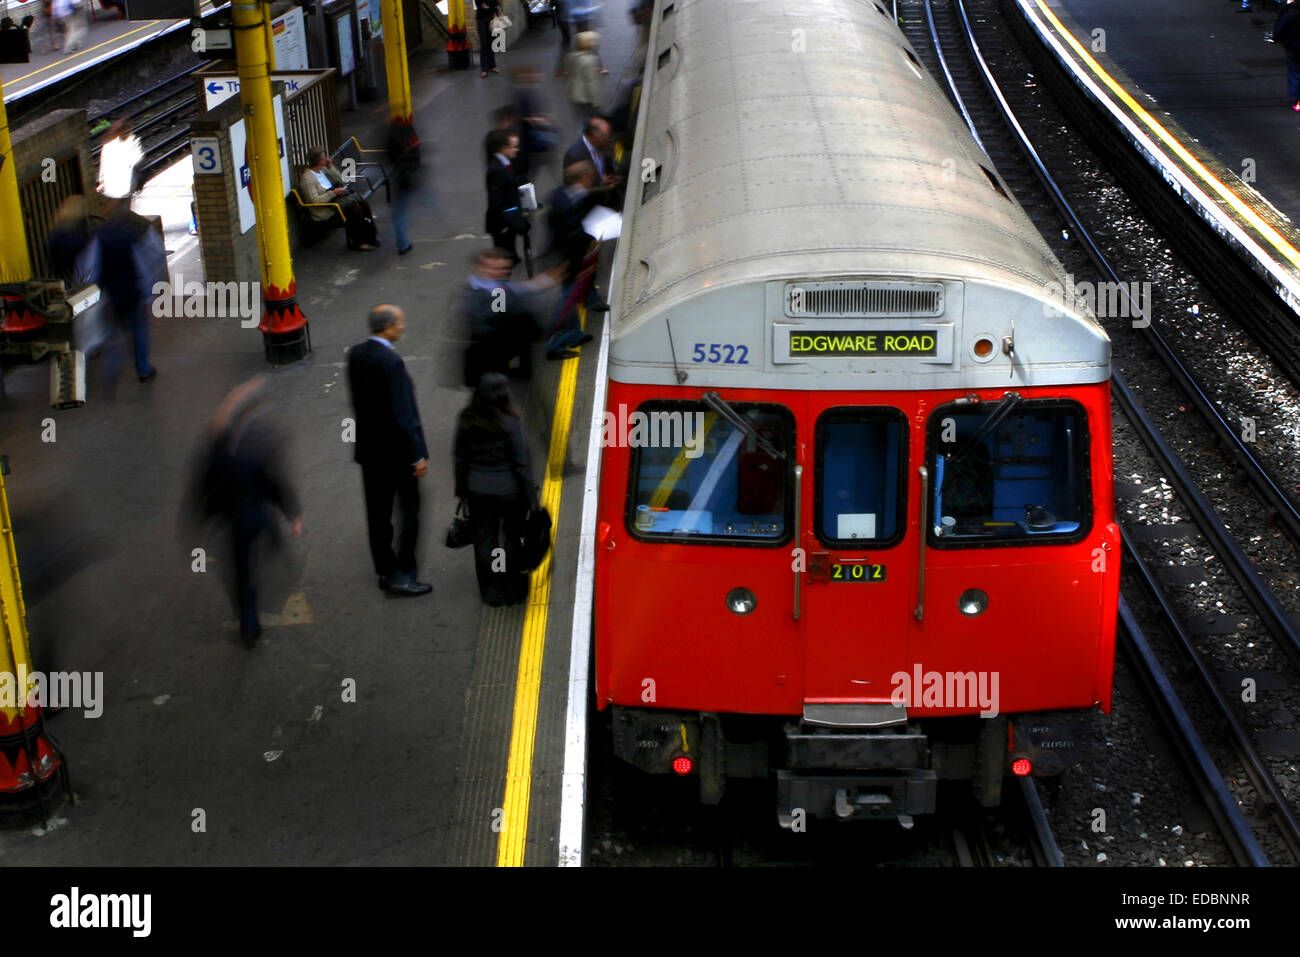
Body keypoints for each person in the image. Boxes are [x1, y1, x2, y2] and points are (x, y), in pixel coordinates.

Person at [191, 377, 304, 647]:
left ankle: (249, 626)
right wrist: (293, 513)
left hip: (232, 518)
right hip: (257, 513)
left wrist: (201, 516)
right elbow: (276, 483)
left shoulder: (218, 444)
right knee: (267, 533)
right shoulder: (262, 444)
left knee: (242, 572)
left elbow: (203, 483)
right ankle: (279, 553)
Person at [346, 305, 433, 597]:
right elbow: (403, 415)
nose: (403, 327)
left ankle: (385, 569)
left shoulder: (356, 354)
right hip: (396, 454)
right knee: (410, 512)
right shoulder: (392, 363)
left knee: (378, 514)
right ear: (387, 327)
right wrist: (417, 454)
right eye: (400, 323)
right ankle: (404, 573)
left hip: (369, 451)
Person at [454, 372, 541, 606]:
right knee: (512, 537)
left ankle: (492, 590)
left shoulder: (467, 419)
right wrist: (532, 498)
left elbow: (460, 457)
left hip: (478, 490)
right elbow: (522, 462)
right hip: (509, 491)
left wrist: (461, 489)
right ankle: (512, 587)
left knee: (485, 539)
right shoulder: (510, 421)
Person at [80, 205, 164, 390]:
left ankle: (110, 376)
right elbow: (144, 265)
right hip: (133, 293)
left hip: (111, 296)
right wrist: (149, 293)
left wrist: (95, 291)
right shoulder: (132, 236)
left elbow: (91, 268)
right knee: (139, 332)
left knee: (112, 335)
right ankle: (143, 370)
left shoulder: (99, 237)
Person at [463, 248, 563, 384]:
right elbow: (496, 319)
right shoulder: (487, 293)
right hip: (491, 356)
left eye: (504, 268)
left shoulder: (493, 287)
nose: (501, 272)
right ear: (479, 268)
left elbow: (512, 291)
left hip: (501, 350)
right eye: (494, 268)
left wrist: (535, 285)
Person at [544, 161, 611, 358]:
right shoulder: (567, 204)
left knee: (570, 301)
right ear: (584, 179)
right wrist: (593, 240)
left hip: (565, 258)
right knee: (564, 305)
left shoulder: (559, 194)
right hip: (568, 262)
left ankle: (574, 335)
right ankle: (554, 347)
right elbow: (571, 236)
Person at [299, 147, 380, 251]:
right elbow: (315, 200)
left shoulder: (323, 169)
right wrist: (333, 193)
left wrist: (331, 167)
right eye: (324, 157)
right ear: (318, 161)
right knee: (355, 209)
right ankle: (360, 242)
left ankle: (371, 236)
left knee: (364, 203)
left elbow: (341, 181)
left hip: (336, 198)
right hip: (327, 207)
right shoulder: (308, 179)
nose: (327, 159)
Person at [484, 130, 530, 265]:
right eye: (514, 147)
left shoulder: (504, 163)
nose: (517, 149)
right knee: (504, 256)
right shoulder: (496, 169)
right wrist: (509, 221)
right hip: (502, 223)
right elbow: (495, 200)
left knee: (510, 251)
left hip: (508, 218)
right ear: (503, 148)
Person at [385, 119, 421, 256]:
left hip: (400, 177)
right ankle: (402, 244)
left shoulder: (393, 132)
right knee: (400, 212)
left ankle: (403, 243)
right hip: (405, 178)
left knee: (400, 211)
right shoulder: (405, 131)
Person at [564, 32, 607, 126]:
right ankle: (585, 137)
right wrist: (596, 102)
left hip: (573, 94)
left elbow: (571, 72)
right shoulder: (591, 60)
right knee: (589, 121)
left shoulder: (570, 56)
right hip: (585, 97)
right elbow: (592, 83)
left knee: (579, 119)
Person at [97, 120, 143, 201]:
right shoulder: (109, 146)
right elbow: (104, 166)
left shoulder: (132, 141)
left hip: (124, 181)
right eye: (126, 131)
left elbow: (137, 160)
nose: (127, 133)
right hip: (116, 182)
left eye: (129, 131)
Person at [1275, 0, 1300, 110]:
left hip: (1293, 46)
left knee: (1295, 72)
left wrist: (1280, 40)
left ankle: (1298, 99)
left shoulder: (1291, 11)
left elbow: (1280, 29)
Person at [476, 0, 502, 78]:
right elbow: (482, 5)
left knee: (492, 42)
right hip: (481, 20)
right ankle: (484, 69)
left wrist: (492, 7)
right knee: (484, 44)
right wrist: (491, 6)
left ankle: (492, 66)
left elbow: (496, 4)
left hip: (492, 20)